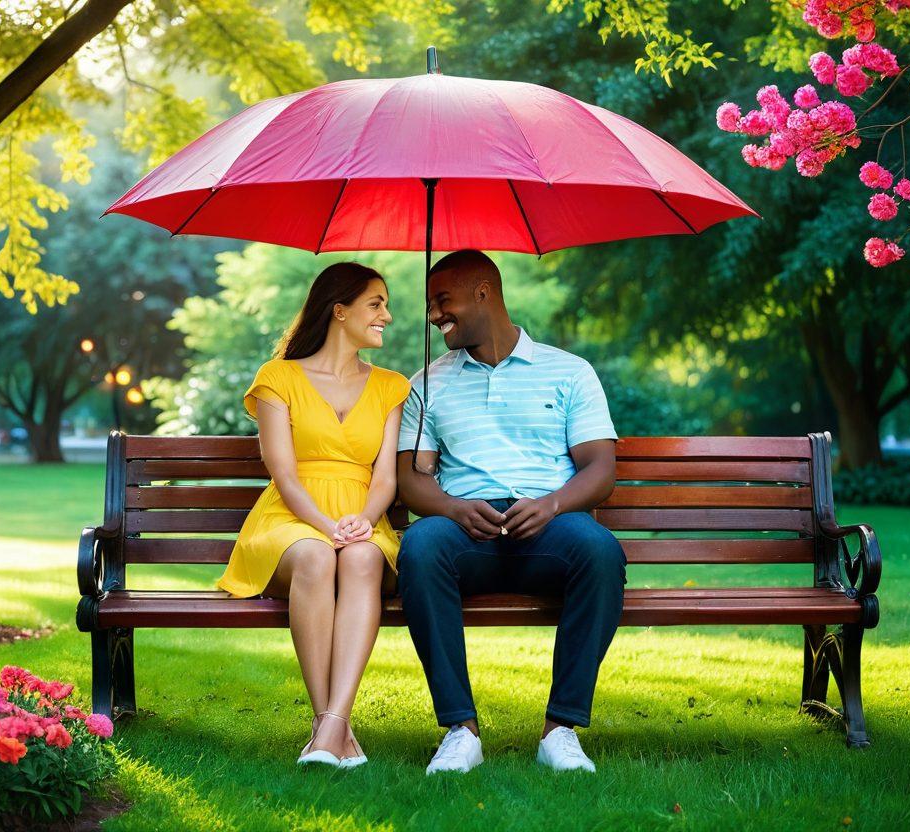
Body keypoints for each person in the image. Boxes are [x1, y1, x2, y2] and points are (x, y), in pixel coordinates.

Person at [396, 250, 625, 775]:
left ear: (483, 292)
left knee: (600, 552)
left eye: (442, 300)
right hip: (465, 533)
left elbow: (600, 469)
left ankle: (561, 730)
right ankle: (460, 730)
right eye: (430, 304)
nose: (433, 315)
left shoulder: (570, 372)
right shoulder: (426, 383)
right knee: (421, 546)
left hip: (550, 528)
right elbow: (412, 480)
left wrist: (552, 504)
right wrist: (452, 508)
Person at [216, 262, 410, 768]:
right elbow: (284, 474)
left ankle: (330, 727)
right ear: (339, 311)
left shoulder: (392, 386)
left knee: (363, 559)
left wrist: (363, 520)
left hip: (362, 517)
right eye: (376, 304)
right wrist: (327, 528)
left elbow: (386, 479)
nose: (387, 316)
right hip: (290, 520)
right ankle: (332, 725)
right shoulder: (278, 378)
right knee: (317, 556)